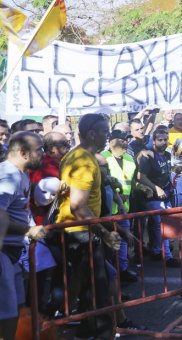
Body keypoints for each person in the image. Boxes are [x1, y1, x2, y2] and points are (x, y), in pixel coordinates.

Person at [56, 113, 122, 339]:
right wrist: (103, 233)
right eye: (105, 131)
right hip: (81, 232)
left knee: (88, 290)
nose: (108, 136)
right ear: (92, 134)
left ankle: (86, 332)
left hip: (77, 231)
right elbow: (78, 205)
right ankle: (102, 333)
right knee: (98, 290)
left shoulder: (77, 155)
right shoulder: (83, 160)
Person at [0, 132, 47, 340]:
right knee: (7, 312)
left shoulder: (20, 174)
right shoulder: (9, 175)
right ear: (23, 153)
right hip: (3, 253)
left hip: (12, 254)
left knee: (17, 307)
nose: (43, 154)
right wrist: (27, 230)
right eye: (39, 150)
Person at [137, 127, 181, 268]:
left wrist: (176, 170)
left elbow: (167, 172)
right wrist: (155, 188)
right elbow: (140, 176)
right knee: (162, 225)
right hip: (152, 197)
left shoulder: (168, 155)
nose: (163, 142)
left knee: (161, 225)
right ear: (154, 141)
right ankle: (167, 256)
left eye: (165, 139)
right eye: (160, 140)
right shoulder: (148, 156)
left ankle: (156, 250)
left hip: (167, 194)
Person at [101, 130, 139, 283]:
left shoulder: (130, 157)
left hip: (124, 208)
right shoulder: (102, 158)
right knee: (110, 244)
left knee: (123, 242)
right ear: (111, 142)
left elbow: (132, 180)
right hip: (108, 210)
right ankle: (112, 275)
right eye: (122, 140)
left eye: (126, 140)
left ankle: (122, 270)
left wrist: (143, 188)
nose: (125, 142)